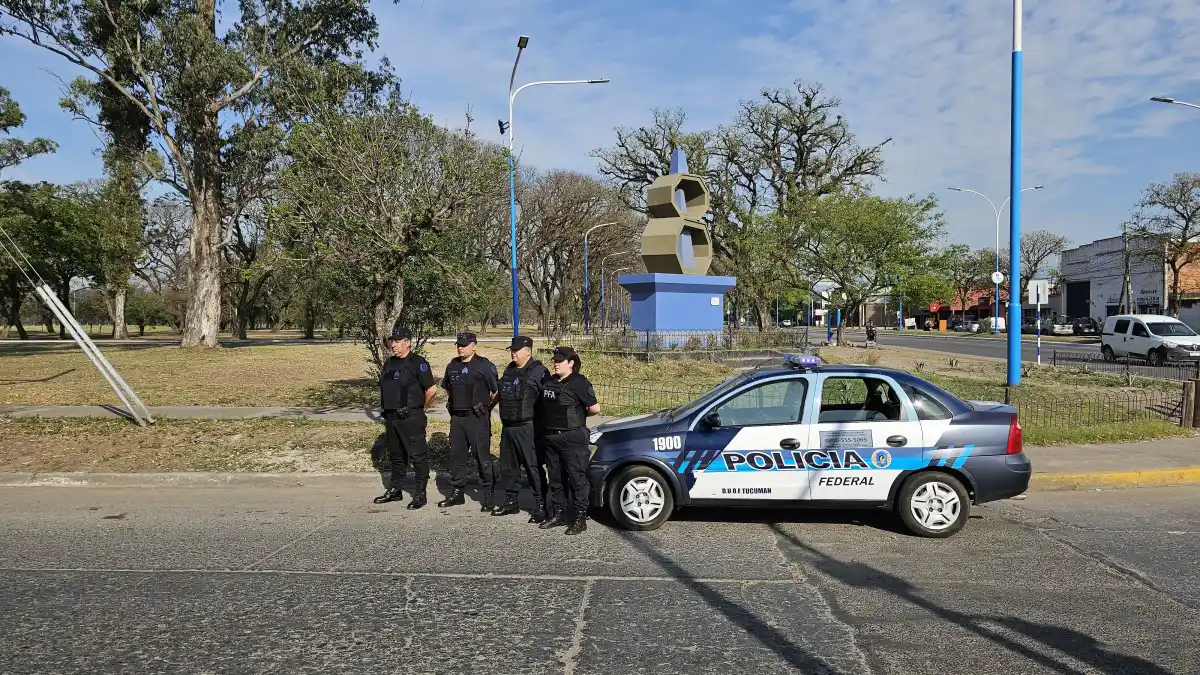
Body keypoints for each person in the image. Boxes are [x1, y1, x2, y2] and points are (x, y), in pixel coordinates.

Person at [538, 346, 601, 536]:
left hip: (572, 437)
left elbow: (595, 408)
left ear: (571, 363)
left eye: (559, 361)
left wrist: (576, 416)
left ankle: (580, 517)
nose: (555, 364)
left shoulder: (579, 382)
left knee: (577, 478)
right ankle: (559, 513)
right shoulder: (548, 381)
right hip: (551, 437)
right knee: (555, 479)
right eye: (554, 361)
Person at [373, 326, 437, 509]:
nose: (393, 345)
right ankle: (395, 490)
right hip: (392, 417)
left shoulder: (418, 362)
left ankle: (420, 494)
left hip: (411, 417)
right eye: (392, 341)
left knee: (417, 456)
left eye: (397, 341)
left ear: (407, 343)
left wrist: (419, 409)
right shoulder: (389, 363)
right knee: (396, 456)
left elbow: (431, 389)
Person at [439, 332, 499, 510]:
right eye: (458, 344)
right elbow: (448, 388)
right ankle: (458, 492)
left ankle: (488, 494)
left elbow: (496, 392)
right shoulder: (452, 365)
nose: (460, 348)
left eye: (464, 345)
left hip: (477, 419)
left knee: (482, 458)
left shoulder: (484, 365)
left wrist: (487, 407)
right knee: (457, 457)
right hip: (458, 418)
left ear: (474, 346)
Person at [493, 335, 549, 522]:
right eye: (511, 350)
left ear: (528, 351)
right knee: (508, 467)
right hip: (508, 426)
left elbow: (547, 399)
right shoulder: (509, 370)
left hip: (528, 427)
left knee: (532, 467)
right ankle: (511, 502)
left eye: (516, 351)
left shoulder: (539, 371)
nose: (513, 353)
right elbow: (500, 393)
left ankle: (540, 504)